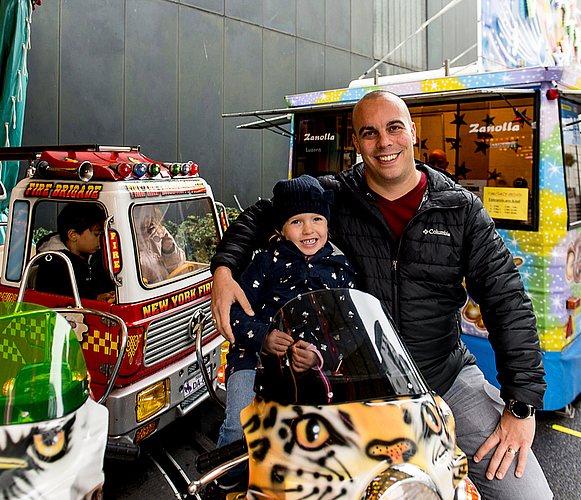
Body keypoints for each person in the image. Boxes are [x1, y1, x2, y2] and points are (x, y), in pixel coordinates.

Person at [210, 91, 552, 499]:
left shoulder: (460, 209)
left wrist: (522, 406)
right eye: (369, 133)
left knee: (526, 494)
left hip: (445, 379)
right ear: (357, 144)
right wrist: (224, 270)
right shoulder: (334, 197)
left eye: (393, 128)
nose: (384, 142)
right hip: (355, 386)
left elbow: (507, 301)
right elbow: (263, 213)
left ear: (412, 132)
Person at [215, 174, 356, 494]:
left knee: (323, 433)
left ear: (328, 224)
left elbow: (352, 327)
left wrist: (321, 352)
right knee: (241, 425)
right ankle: (223, 483)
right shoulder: (264, 263)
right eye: (297, 221)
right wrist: (263, 335)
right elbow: (234, 314)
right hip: (253, 360)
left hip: (312, 367)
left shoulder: (340, 268)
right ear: (280, 228)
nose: (309, 230)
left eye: (317, 219)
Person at [36, 202, 115, 302]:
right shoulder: (53, 263)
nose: (101, 239)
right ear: (73, 235)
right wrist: (94, 299)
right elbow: (56, 300)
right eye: (96, 235)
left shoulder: (98, 257)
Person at [133, 205, 186, 284]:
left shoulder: (159, 231)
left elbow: (179, 267)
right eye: (138, 217)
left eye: (147, 216)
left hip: (167, 288)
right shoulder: (128, 240)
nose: (144, 221)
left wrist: (169, 251)